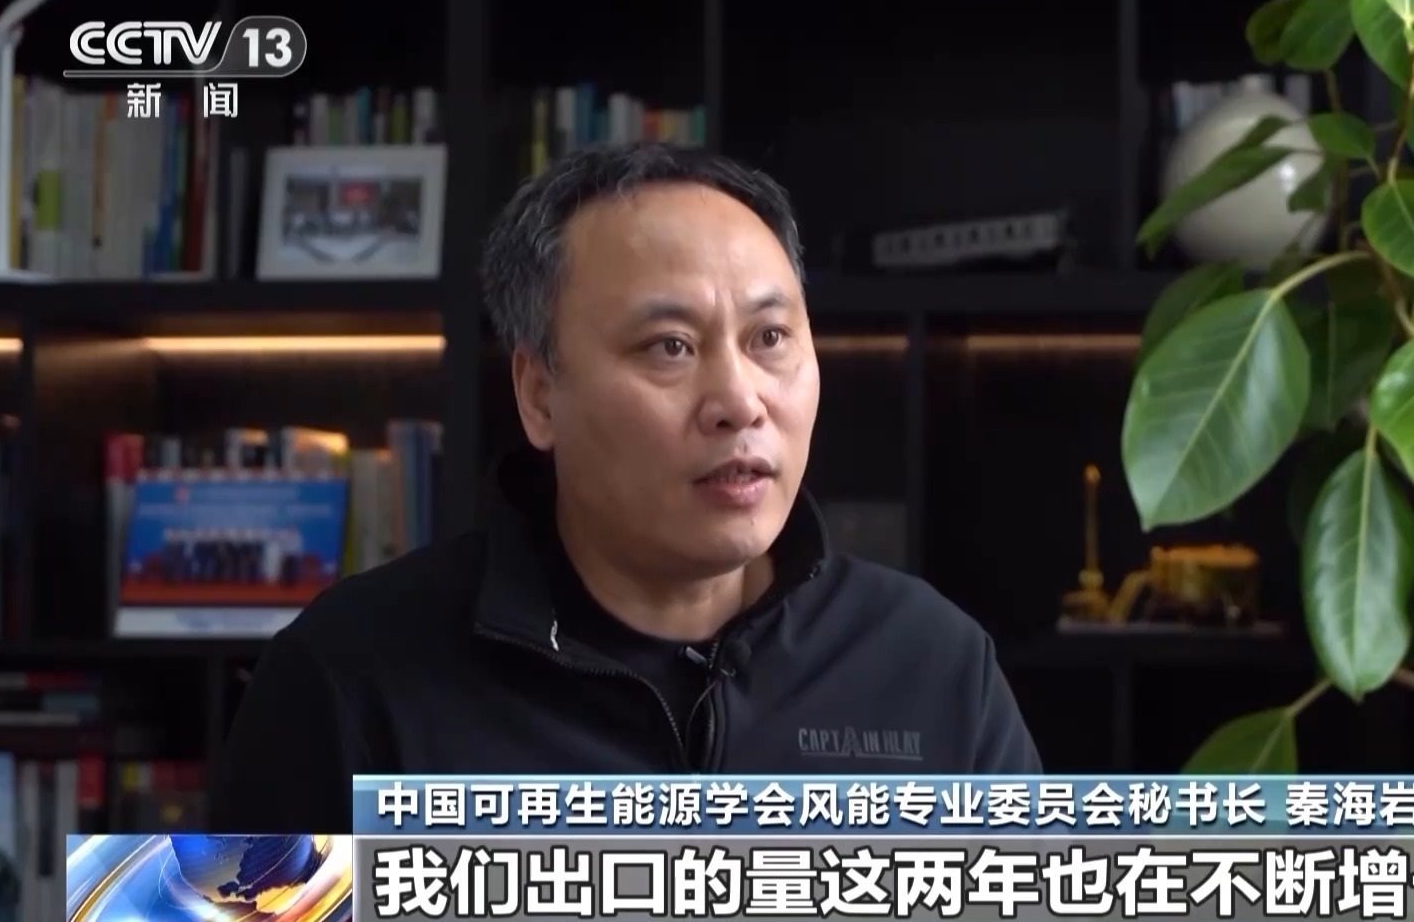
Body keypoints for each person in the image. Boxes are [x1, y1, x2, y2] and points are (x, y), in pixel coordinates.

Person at [207, 142, 1042, 834]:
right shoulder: (347, 679)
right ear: (540, 394)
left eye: (770, 337)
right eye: (670, 346)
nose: (740, 400)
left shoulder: (934, 662)